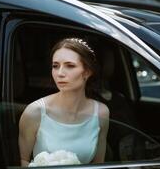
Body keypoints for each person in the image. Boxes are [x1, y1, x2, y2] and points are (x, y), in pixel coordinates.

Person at [18, 38, 110, 166]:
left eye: (70, 66)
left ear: (87, 72)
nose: (60, 73)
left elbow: (99, 165)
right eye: (55, 66)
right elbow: (23, 161)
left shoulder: (101, 113)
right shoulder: (34, 112)